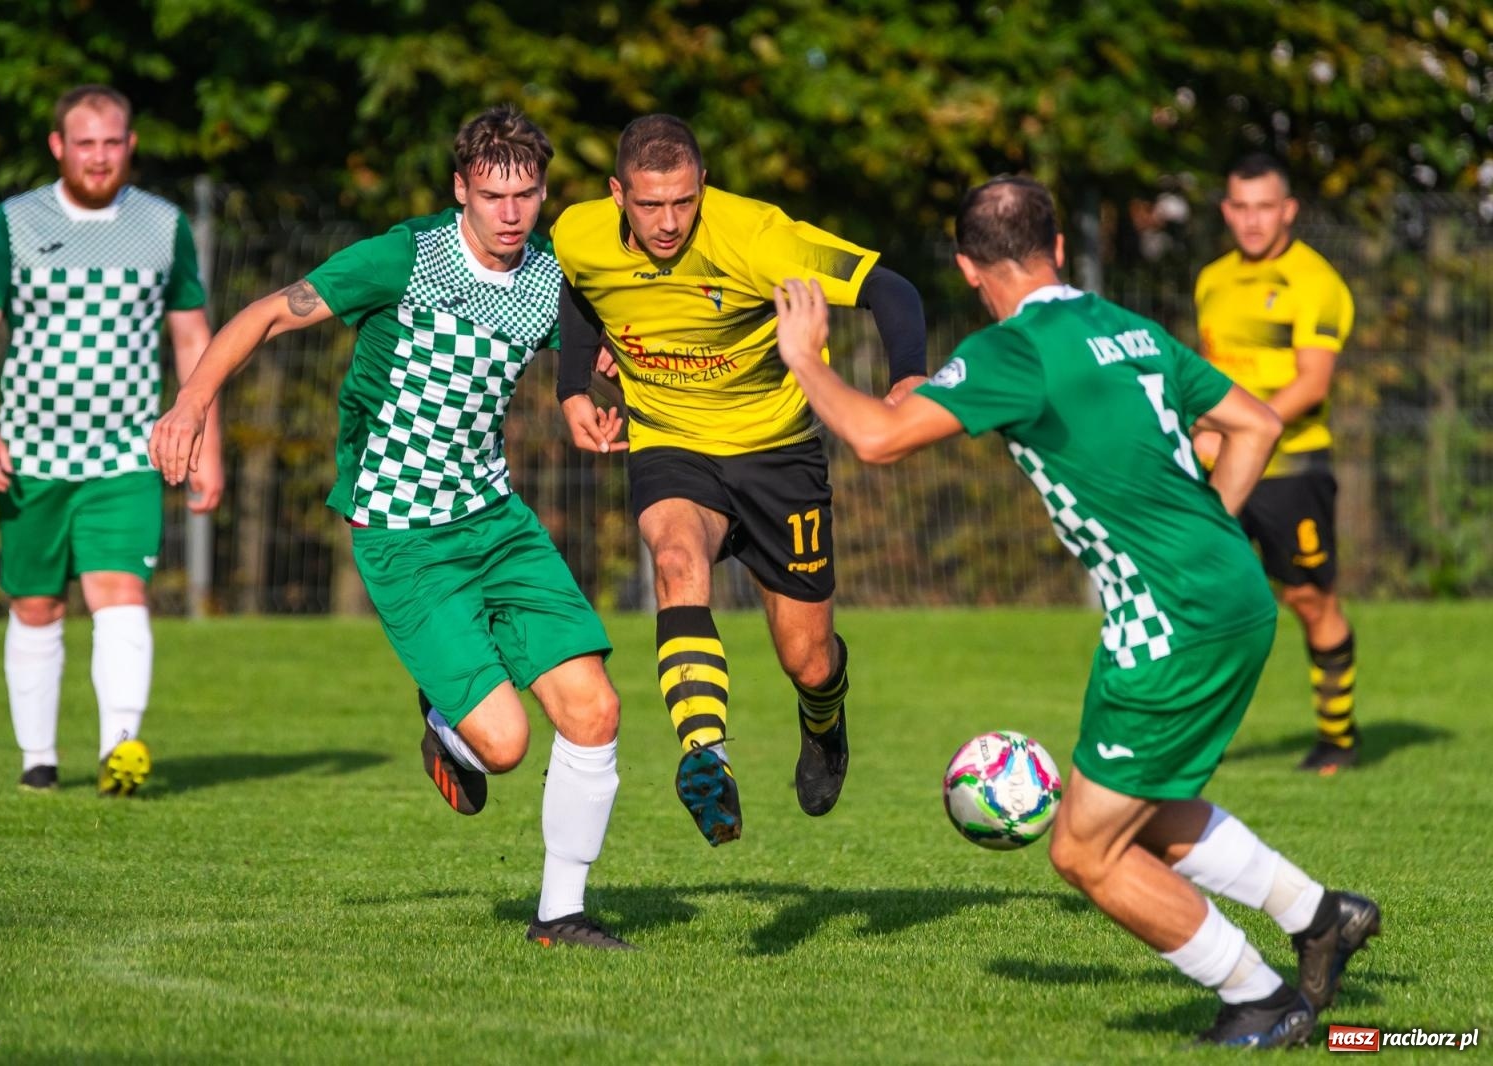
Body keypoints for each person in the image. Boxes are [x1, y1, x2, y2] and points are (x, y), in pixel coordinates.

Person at [769, 177, 1379, 1047]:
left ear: (969, 270)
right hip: (1228, 590)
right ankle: (1319, 916)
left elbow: (874, 438)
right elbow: (1254, 427)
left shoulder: (1012, 351)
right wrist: (1208, 529)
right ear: (1056, 248)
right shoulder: (1124, 326)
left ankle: (1259, 996)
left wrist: (806, 357)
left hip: (1168, 618)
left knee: (1083, 850)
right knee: (1140, 805)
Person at [149, 105, 631, 949]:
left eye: (526, 195)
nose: (511, 214)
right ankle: (449, 722)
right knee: (508, 745)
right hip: (404, 533)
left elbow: (601, 352)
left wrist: (607, 391)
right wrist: (191, 405)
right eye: (492, 195)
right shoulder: (406, 257)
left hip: (496, 518)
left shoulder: (550, 278)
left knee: (593, 711)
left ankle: (561, 917)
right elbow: (265, 314)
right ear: (461, 191)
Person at [551, 114, 928, 846]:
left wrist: (908, 376)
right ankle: (706, 754)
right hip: (671, 443)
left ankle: (824, 719)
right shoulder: (578, 231)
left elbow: (892, 287)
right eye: (650, 204)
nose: (668, 223)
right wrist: (573, 385)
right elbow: (581, 289)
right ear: (616, 193)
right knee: (675, 559)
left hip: (777, 454)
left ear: (704, 187)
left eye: (684, 202)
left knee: (808, 660)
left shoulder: (756, 237)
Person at [0, 84, 224, 797]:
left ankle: (120, 751)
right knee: (36, 604)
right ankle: (38, 760)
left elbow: (194, 339)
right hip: (29, 456)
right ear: (58, 147)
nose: (99, 157)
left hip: (127, 454)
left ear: (130, 146)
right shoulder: (12, 223)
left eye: (112, 143)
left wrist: (206, 444)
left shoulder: (164, 225)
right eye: (85, 143)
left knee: (120, 591)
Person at [1194, 153, 1360, 774]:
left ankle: (1337, 739)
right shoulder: (1211, 279)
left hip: (1292, 470)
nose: (1253, 220)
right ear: (1226, 211)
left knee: (1310, 599)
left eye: (1266, 206)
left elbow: (1311, 384)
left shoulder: (1314, 281)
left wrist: (1240, 432)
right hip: (1218, 465)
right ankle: (1193, 741)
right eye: (1241, 206)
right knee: (1206, 597)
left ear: (1288, 210)